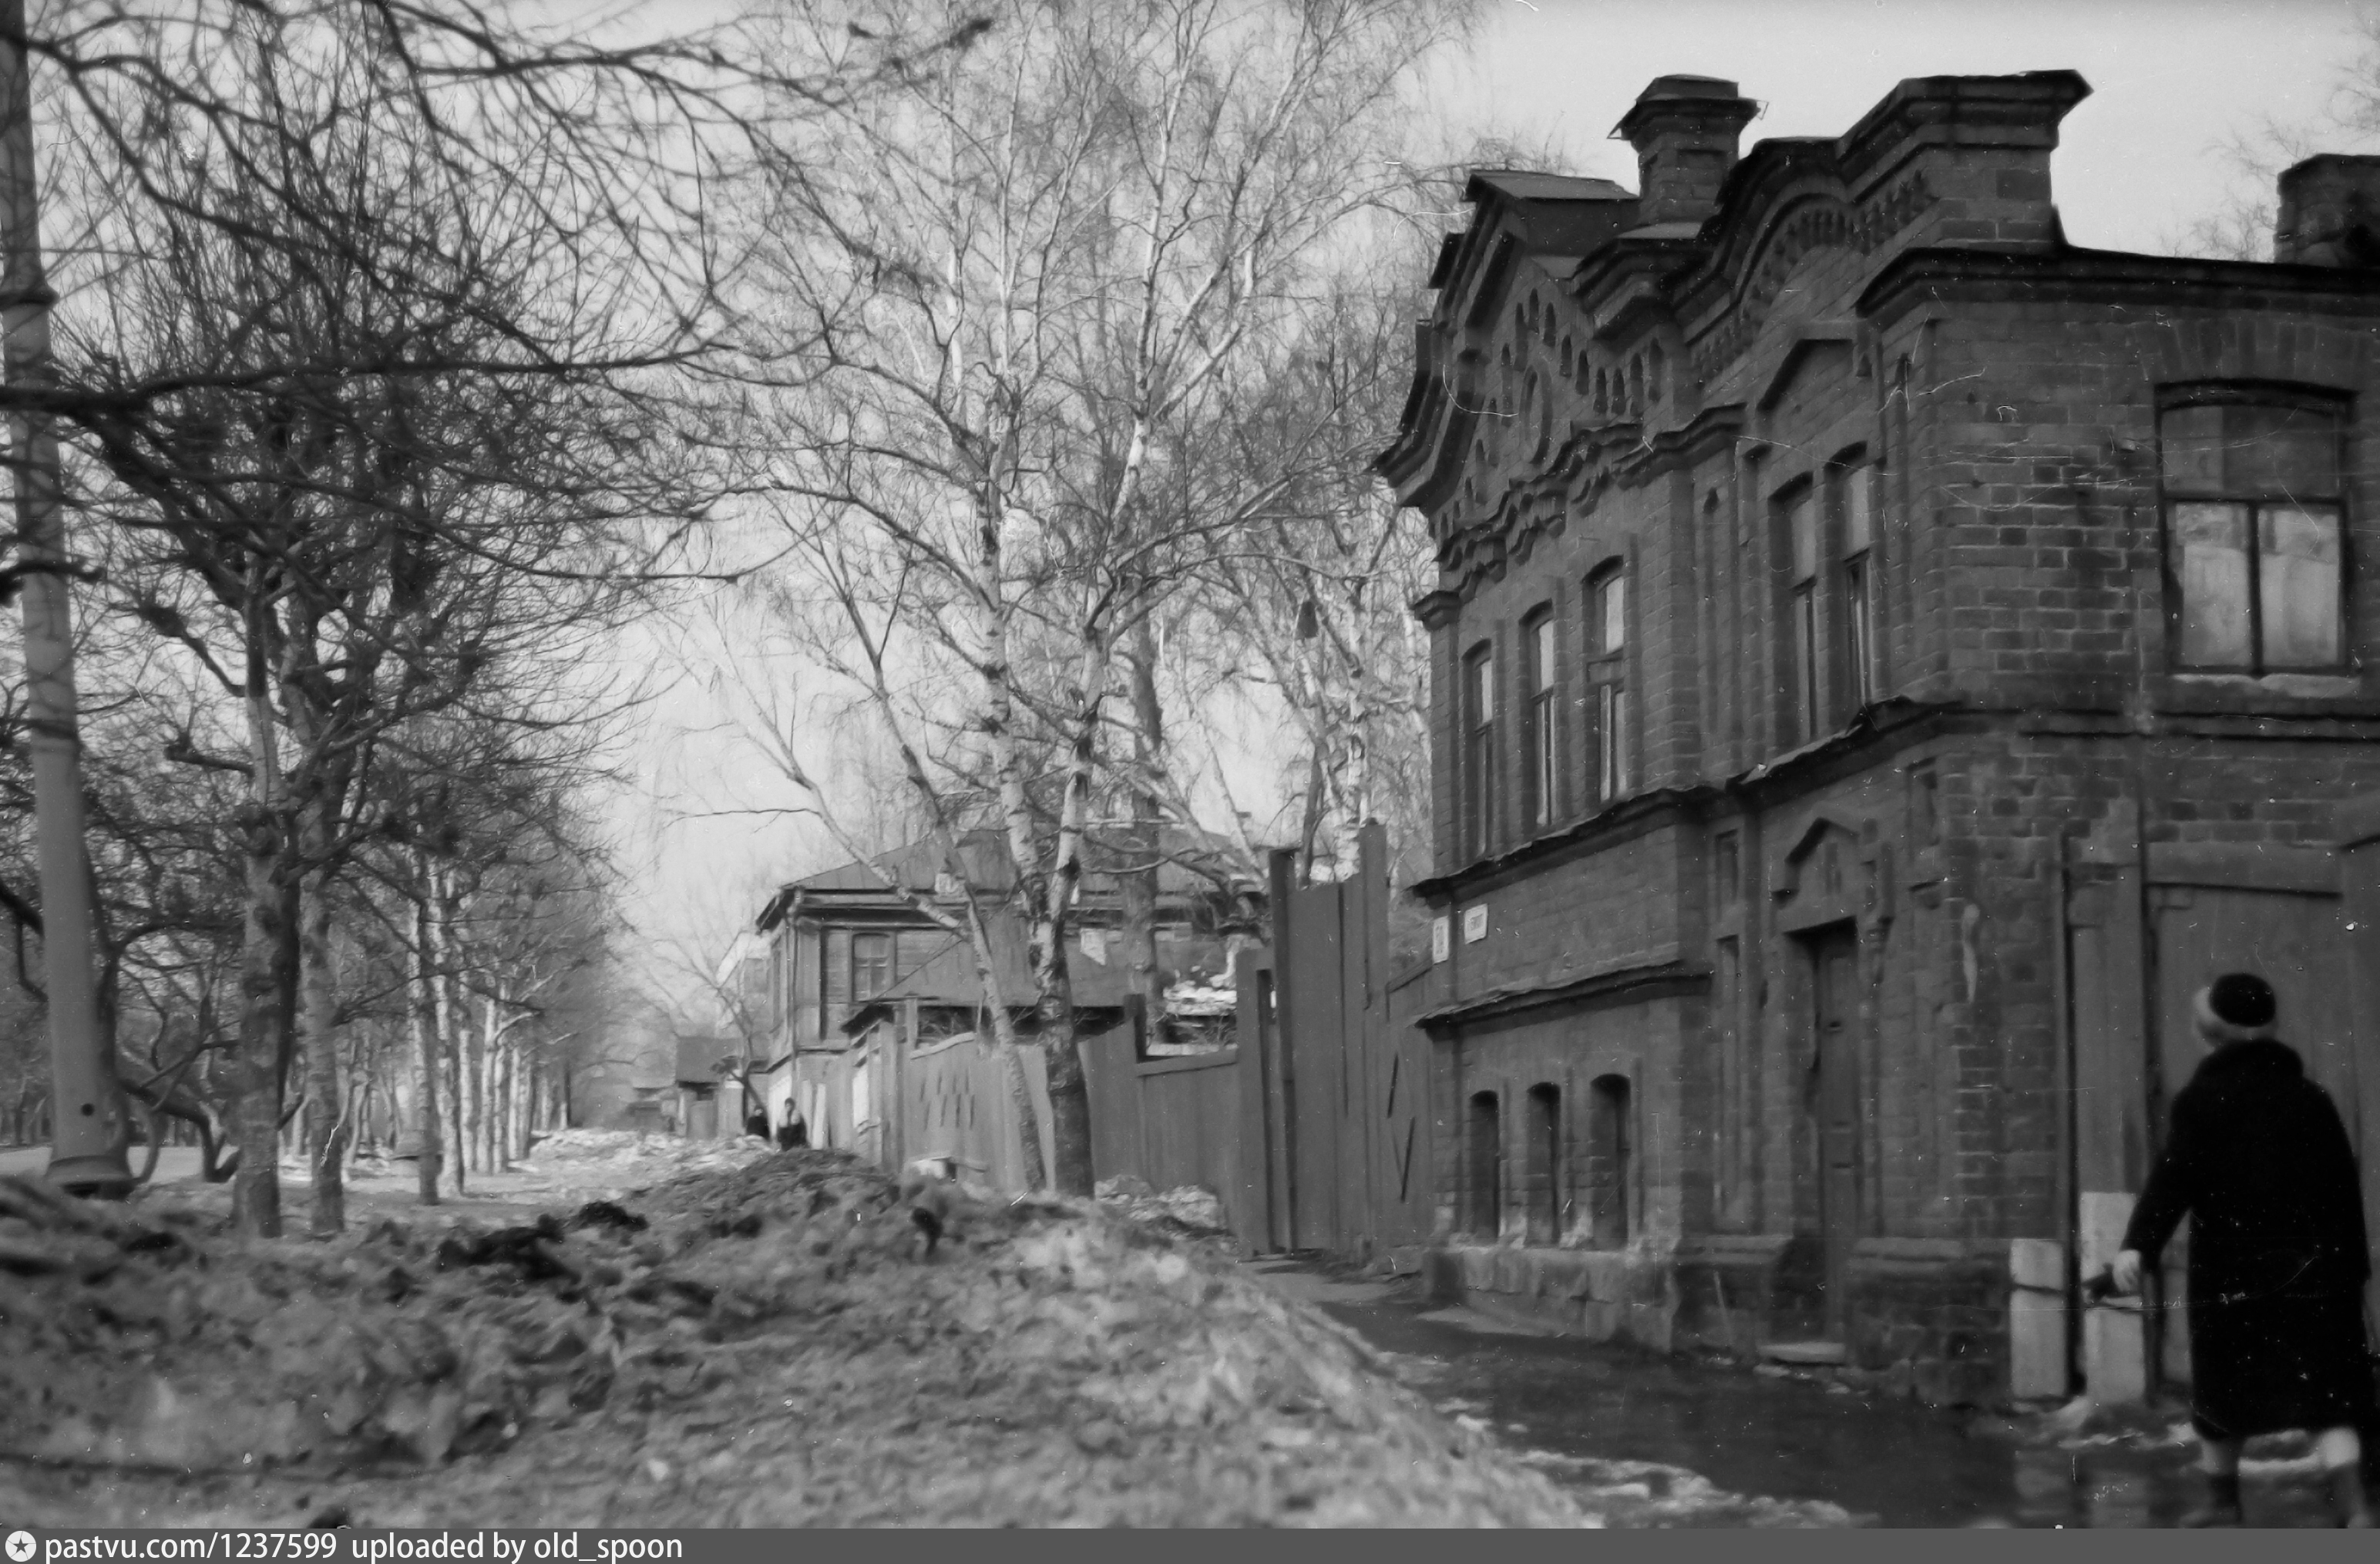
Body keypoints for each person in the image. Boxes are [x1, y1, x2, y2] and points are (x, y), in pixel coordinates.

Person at [2113, 971, 2375, 1528]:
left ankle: (2222, 1502)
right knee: (2329, 1397)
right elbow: (2341, 1190)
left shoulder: (2201, 1101)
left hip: (2230, 1273)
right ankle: (2355, 1509)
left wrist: (2138, 1246)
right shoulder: (2309, 1097)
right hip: (2313, 1271)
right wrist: (2352, 1271)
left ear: (2210, 1034)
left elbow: (2172, 1180)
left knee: (2219, 1396)